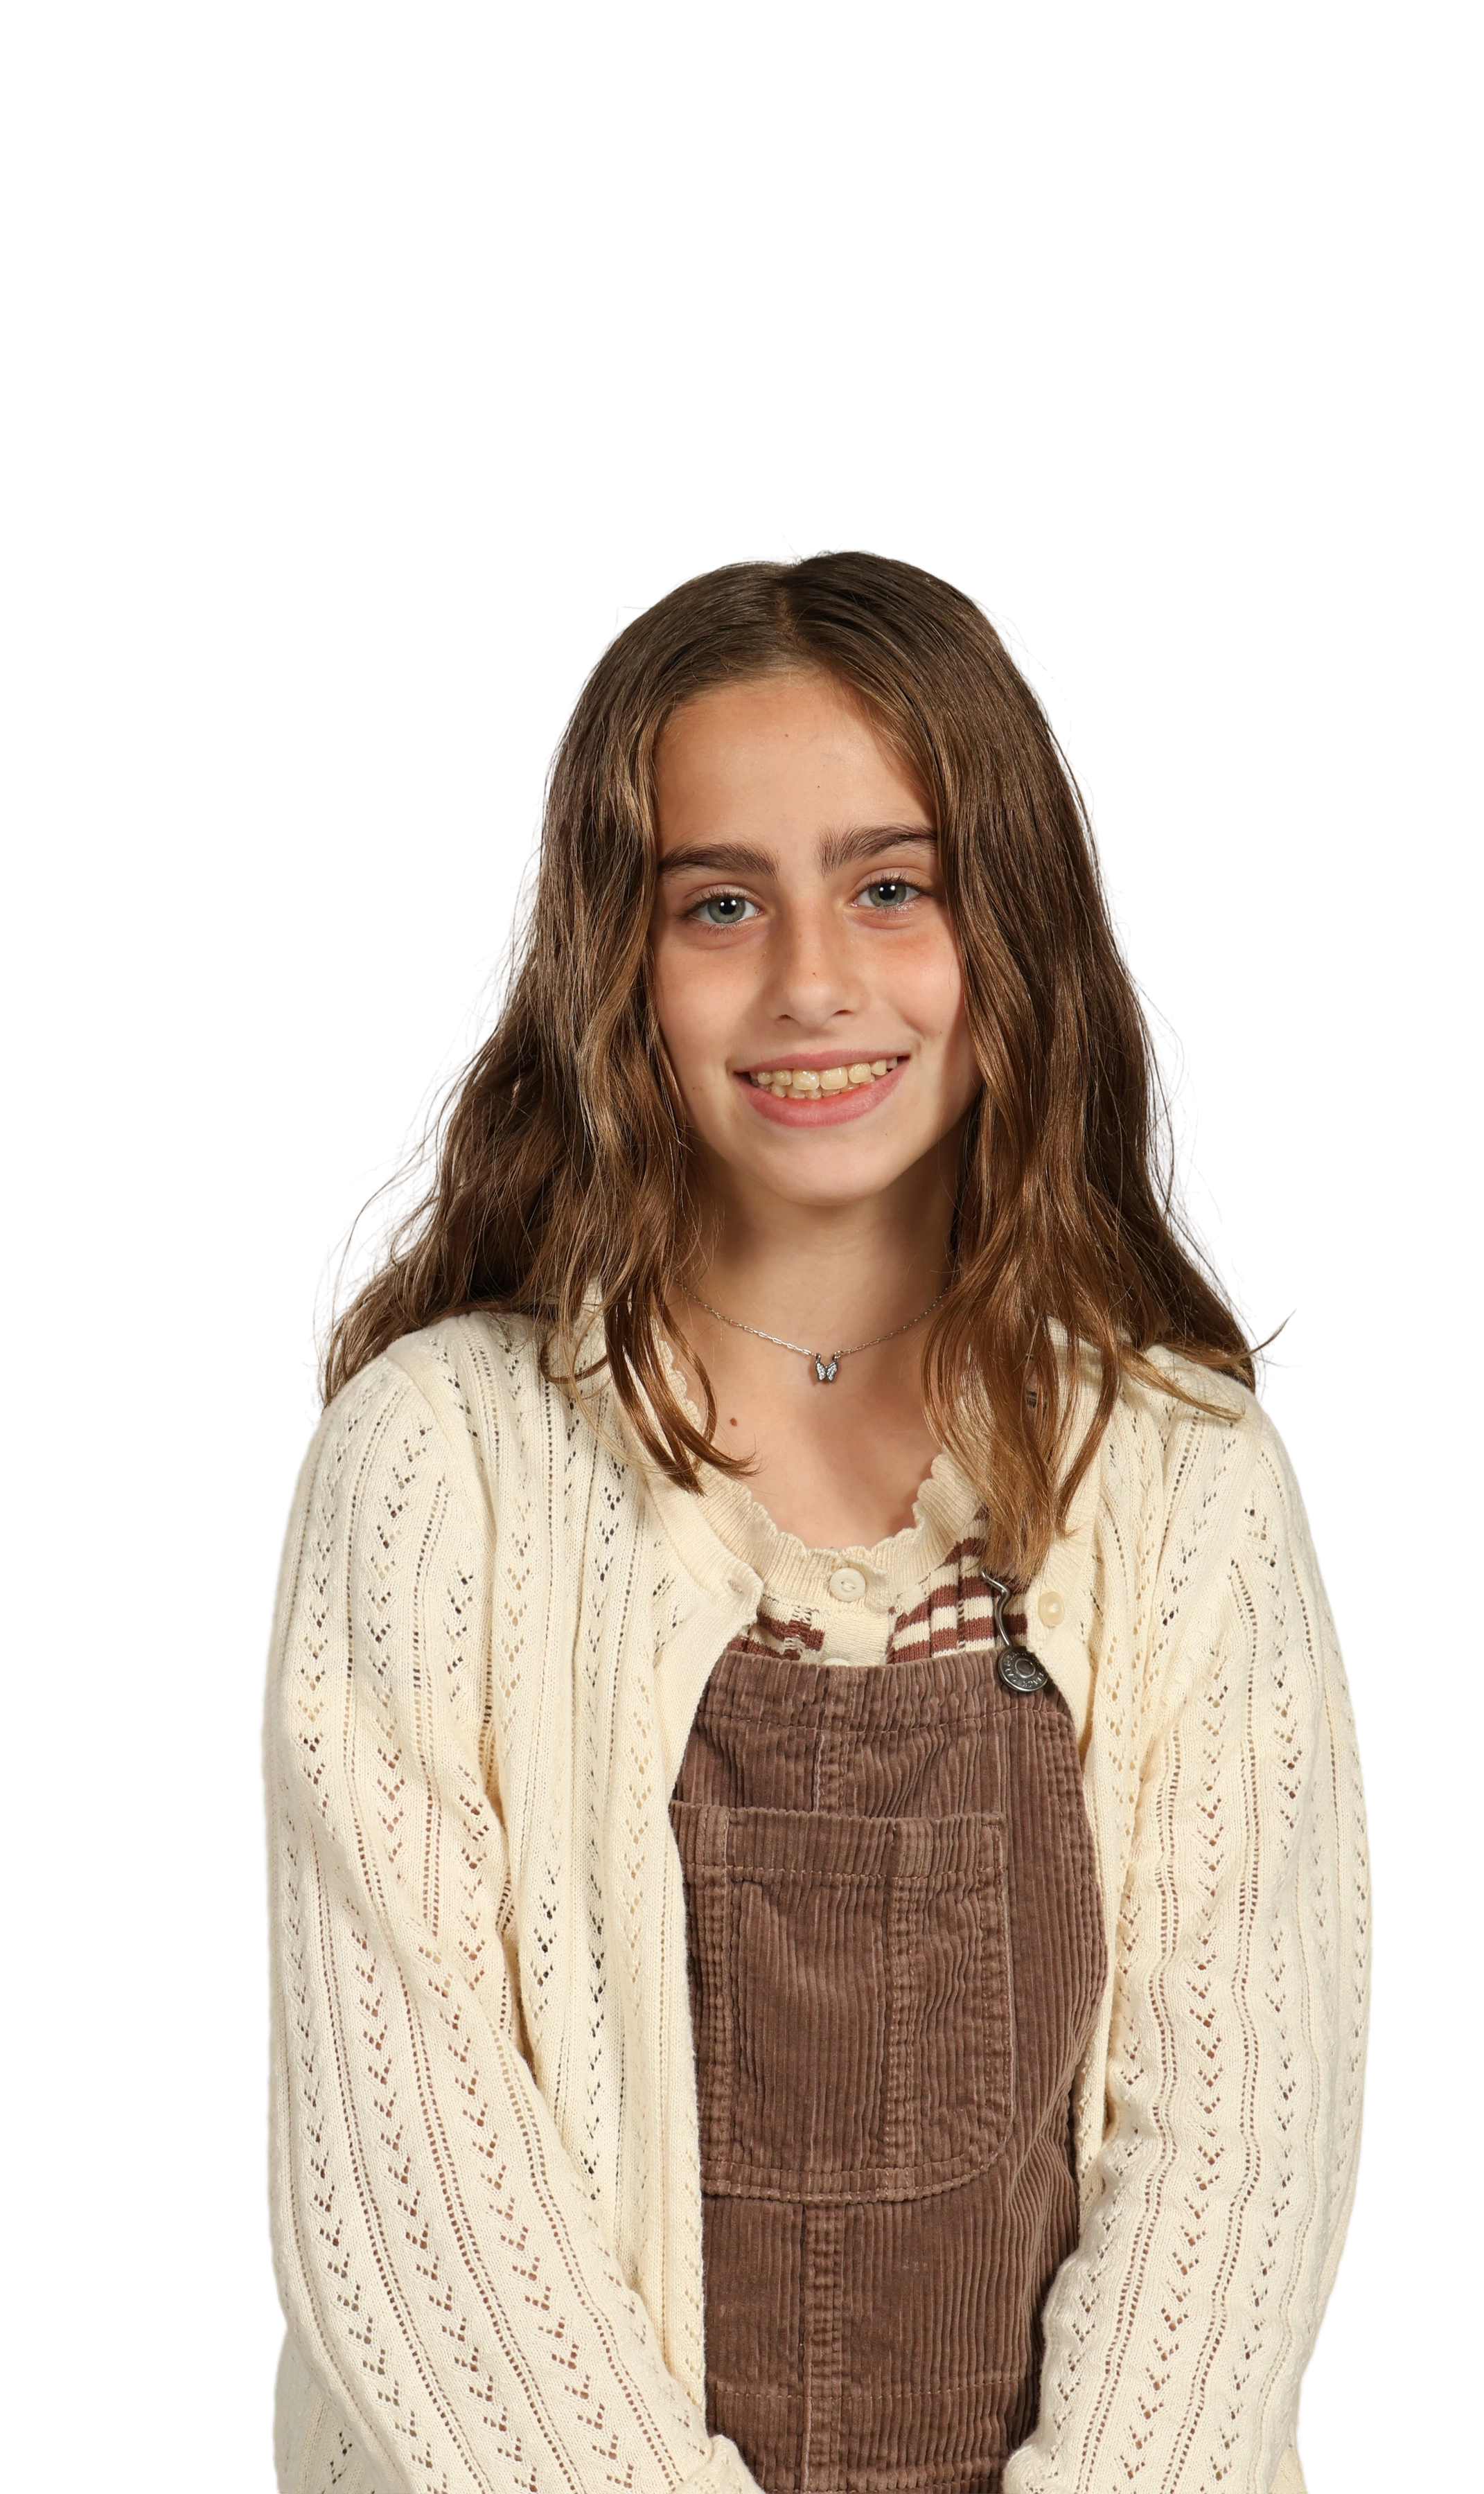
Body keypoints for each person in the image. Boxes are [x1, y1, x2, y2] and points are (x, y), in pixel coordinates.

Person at [259, 544, 1372, 2494]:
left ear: (1015, 927)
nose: (812, 982)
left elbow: (1238, 2160)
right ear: (616, 967)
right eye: (719, 903)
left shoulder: (1190, 1483)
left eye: (892, 886)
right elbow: (421, 2210)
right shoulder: (437, 1473)